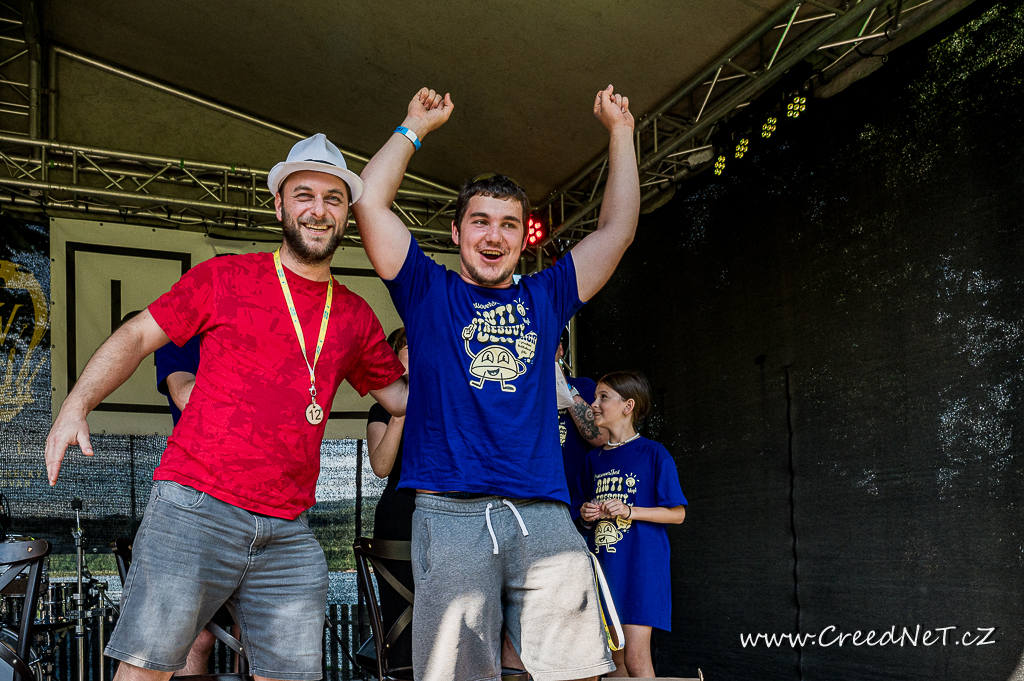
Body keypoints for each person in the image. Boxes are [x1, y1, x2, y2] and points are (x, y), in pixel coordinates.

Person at [45, 133, 408, 681]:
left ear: (346, 215)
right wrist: (76, 404)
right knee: (145, 670)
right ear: (280, 205)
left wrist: (479, 368)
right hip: (196, 506)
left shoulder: (355, 316)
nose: (318, 209)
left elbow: (400, 397)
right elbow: (139, 334)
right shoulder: (226, 277)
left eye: (333, 198)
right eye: (304, 195)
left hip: (288, 527)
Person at [352, 85, 640, 681]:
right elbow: (370, 204)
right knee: (458, 674)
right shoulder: (427, 290)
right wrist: (412, 128)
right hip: (450, 512)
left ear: (521, 236)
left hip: (543, 512)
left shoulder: (546, 296)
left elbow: (616, 230)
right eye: (480, 221)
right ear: (456, 232)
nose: (494, 236)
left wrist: (621, 134)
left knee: (577, 672)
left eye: (509, 225)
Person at [580, 371, 687, 678]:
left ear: (628, 406)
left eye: (603, 397)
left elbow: (678, 513)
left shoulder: (654, 453)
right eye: (595, 397)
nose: (594, 404)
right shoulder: (593, 460)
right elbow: (582, 513)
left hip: (642, 569)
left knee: (636, 659)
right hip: (604, 570)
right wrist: (587, 514)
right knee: (613, 660)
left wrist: (630, 510)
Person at [365, 326, 414, 668]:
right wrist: (401, 409)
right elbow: (381, 466)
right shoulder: (380, 410)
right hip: (399, 517)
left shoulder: (445, 403)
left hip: (445, 513)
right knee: (400, 617)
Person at [553, 326, 608, 529]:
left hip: (575, 507)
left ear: (560, 349)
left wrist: (563, 386)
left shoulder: (584, 387)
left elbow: (601, 436)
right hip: (529, 504)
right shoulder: (521, 392)